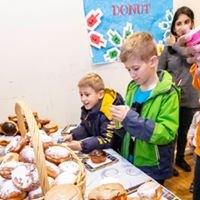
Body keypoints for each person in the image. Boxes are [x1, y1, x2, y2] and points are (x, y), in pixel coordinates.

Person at [110, 32, 179, 185]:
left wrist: (129, 117)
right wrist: (118, 120)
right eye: (128, 70)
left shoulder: (168, 93)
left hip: (153, 165)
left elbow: (166, 133)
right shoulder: (133, 88)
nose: (132, 75)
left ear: (153, 61)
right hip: (129, 157)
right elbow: (128, 126)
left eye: (135, 68)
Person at [158, 6, 200, 172]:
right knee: (171, 135)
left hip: (191, 98)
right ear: (173, 28)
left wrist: (175, 45)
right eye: (178, 23)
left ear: (192, 24)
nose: (183, 26)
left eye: (187, 22)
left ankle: (180, 158)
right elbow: (159, 73)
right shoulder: (167, 50)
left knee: (184, 133)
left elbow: (187, 52)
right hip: (172, 99)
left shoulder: (196, 48)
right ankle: (168, 164)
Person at [61, 73, 124, 154]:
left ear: (100, 94)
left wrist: (82, 145)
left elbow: (107, 140)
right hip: (98, 149)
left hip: (114, 152)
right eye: (81, 95)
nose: (83, 99)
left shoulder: (108, 112)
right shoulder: (88, 108)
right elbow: (86, 128)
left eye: (87, 95)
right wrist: (73, 135)